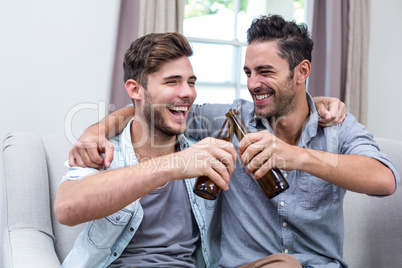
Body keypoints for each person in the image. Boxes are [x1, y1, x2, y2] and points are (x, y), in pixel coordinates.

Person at [67, 15, 398, 267]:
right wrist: (95, 131)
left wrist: (297, 156)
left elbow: (383, 180)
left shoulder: (338, 128)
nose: (253, 84)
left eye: (265, 71)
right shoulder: (231, 120)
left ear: (301, 71)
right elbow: (153, 109)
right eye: (248, 73)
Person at [55, 32, 304, 268]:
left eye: (191, 82)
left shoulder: (205, 148)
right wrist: (173, 165)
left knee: (286, 264)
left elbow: (281, 114)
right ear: (134, 89)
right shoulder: (104, 150)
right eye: (172, 82)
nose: (187, 93)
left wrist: (320, 104)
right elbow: (66, 209)